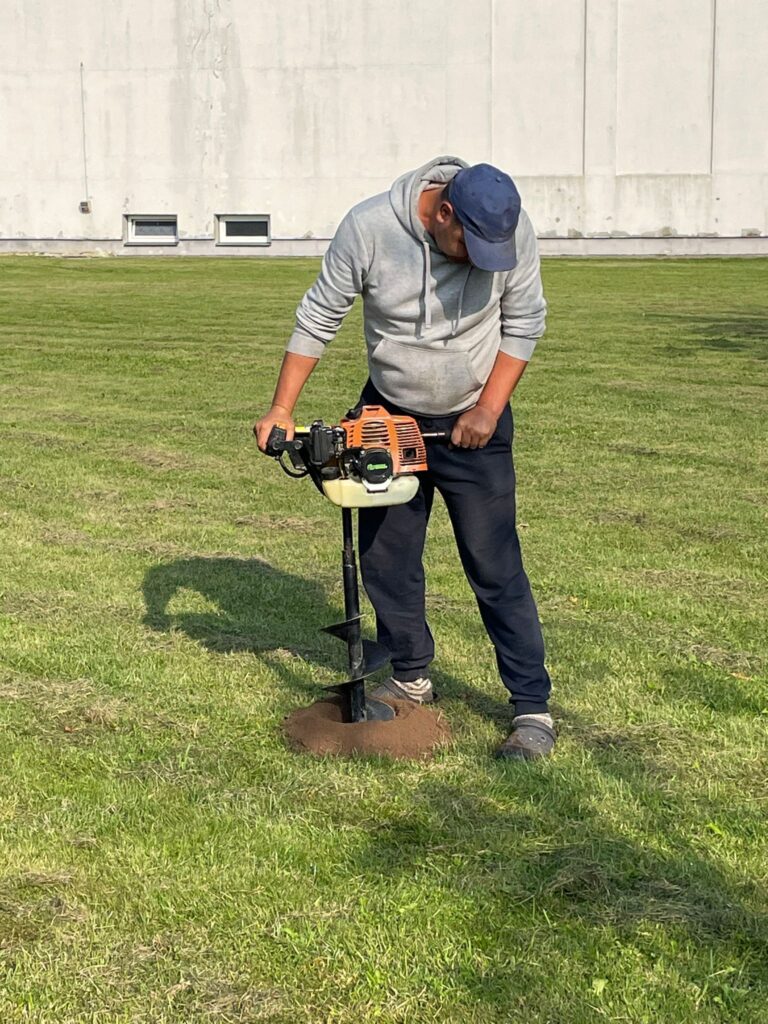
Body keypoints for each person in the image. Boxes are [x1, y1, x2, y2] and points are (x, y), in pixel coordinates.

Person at [254, 155, 555, 760]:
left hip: (476, 419)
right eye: (470, 246)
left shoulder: (507, 229)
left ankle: (532, 709)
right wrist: (282, 408)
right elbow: (319, 316)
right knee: (387, 560)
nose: (482, 261)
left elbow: (524, 322)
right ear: (444, 213)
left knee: (495, 566)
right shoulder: (368, 228)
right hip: (389, 419)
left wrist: (488, 410)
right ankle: (411, 675)